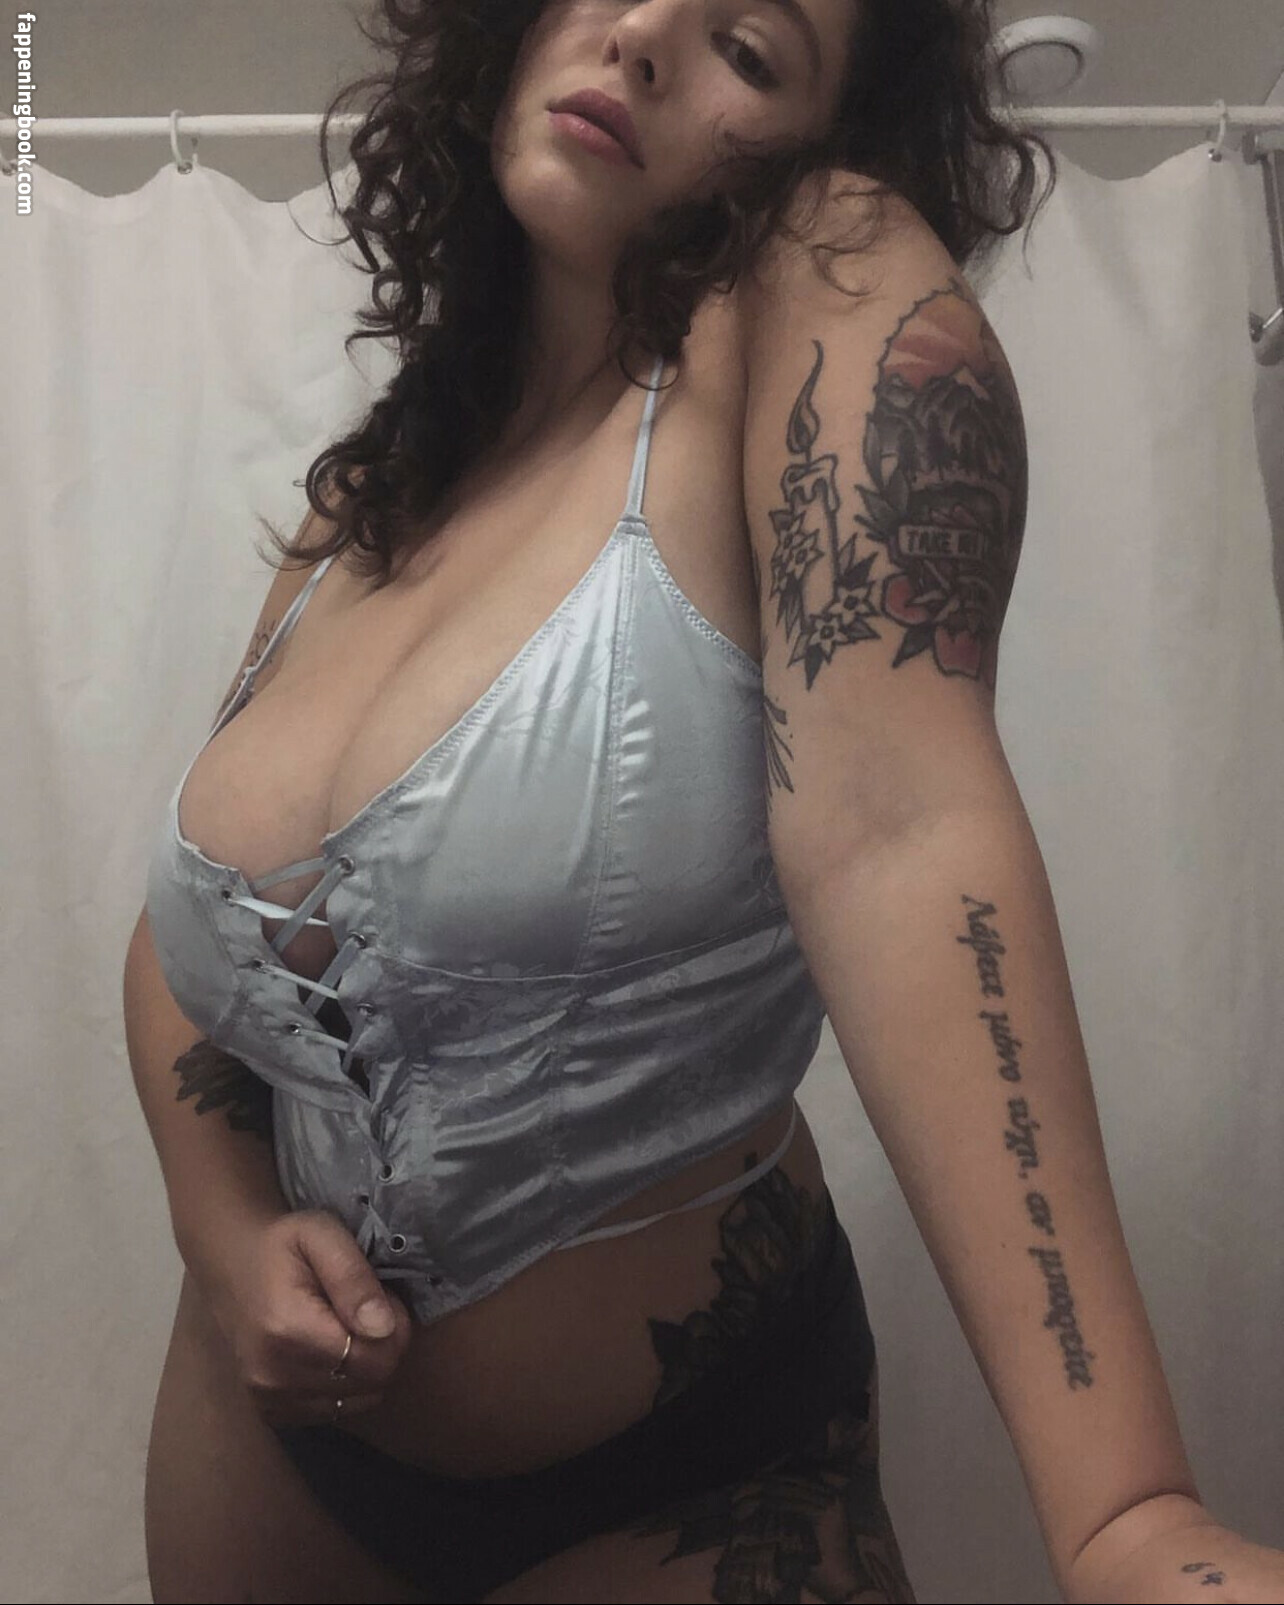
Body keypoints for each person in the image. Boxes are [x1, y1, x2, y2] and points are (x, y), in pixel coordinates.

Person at [123, 2, 1284, 1602]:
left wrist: (1127, 1513)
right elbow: (192, 941)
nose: (648, 35)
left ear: (825, 140)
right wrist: (226, 1228)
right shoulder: (365, 506)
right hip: (272, 1456)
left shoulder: (821, 275)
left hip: (695, 1482)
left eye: (749, 47)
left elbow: (901, 831)